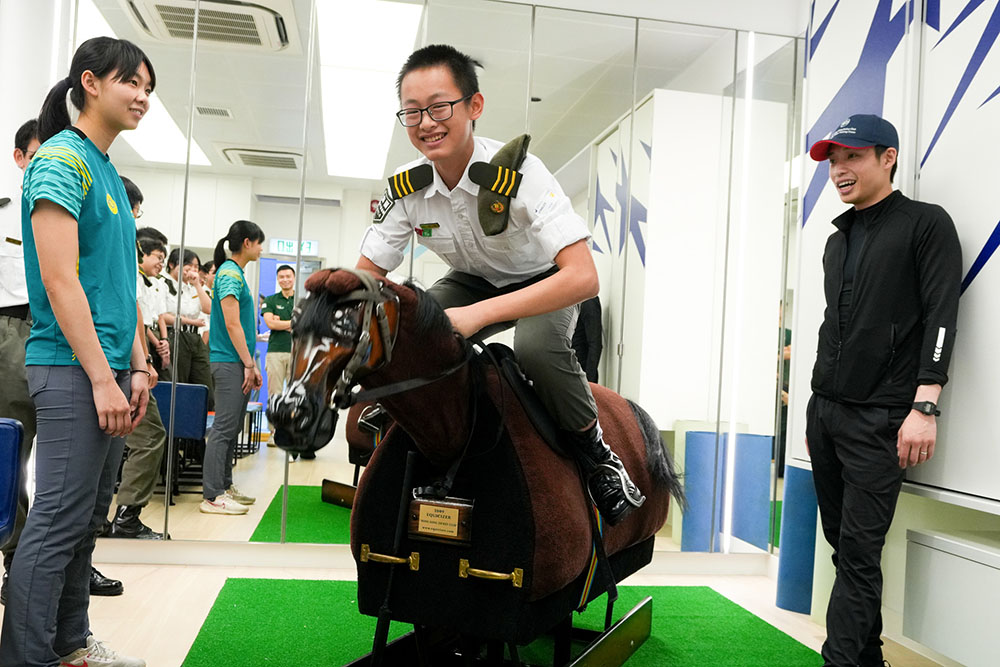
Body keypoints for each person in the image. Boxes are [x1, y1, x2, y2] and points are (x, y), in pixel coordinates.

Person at [356, 44, 643, 525]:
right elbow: (366, 276)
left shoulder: (521, 173)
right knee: (410, 327)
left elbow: (583, 276)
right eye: (412, 111)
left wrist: (477, 316)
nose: (426, 123)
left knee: (536, 350)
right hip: (472, 279)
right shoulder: (406, 187)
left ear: (474, 106)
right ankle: (412, 419)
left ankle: (599, 457)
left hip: (545, 279)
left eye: (439, 107)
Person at [0, 37, 155, 667]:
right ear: (90, 83)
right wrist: (100, 377)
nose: (142, 97)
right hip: (70, 369)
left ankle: (69, 644)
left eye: (148, 88)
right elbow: (60, 282)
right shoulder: (61, 160)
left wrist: (137, 365)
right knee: (57, 521)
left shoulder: (107, 169)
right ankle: (25, 657)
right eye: (132, 83)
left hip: (110, 369)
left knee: (86, 520)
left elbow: (120, 284)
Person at [806, 114, 962, 667]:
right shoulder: (837, 241)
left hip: (882, 417)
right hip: (825, 411)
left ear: (887, 157)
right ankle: (867, 658)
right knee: (841, 546)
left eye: (851, 156)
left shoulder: (925, 224)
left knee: (858, 552)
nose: (839, 170)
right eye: (833, 160)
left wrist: (926, 404)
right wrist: (816, 408)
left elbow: (942, 317)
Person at [2, 120, 127, 604]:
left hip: (74, 334)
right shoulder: (12, 207)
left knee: (72, 487)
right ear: (20, 157)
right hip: (16, 331)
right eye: (38, 151)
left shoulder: (89, 190)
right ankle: (17, 558)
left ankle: (49, 584)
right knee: (15, 454)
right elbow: (54, 279)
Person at [110, 178, 168, 540]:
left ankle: (104, 522)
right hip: (113, 355)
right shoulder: (120, 245)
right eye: (136, 210)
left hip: (117, 353)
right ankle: (126, 518)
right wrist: (142, 364)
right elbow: (131, 310)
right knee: (147, 436)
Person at [201, 220, 264, 515]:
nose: (261, 249)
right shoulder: (228, 273)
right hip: (228, 361)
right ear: (247, 243)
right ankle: (213, 495)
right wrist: (248, 363)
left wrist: (251, 364)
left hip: (237, 361)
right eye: (259, 243)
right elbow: (231, 323)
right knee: (224, 428)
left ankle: (224, 486)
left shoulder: (235, 273)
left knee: (233, 426)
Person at [160, 248, 212, 392]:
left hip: (194, 337)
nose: (192, 270)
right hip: (175, 335)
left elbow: (208, 308)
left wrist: (197, 285)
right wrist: (190, 322)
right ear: (172, 264)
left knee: (204, 381)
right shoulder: (164, 284)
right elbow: (162, 315)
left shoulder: (193, 287)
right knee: (179, 382)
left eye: (196, 267)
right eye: (188, 265)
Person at [261, 264, 300, 451]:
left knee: (295, 394)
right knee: (274, 394)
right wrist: (291, 323)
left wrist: (280, 322)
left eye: (288, 276)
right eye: (281, 277)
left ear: (294, 278)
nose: (285, 279)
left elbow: (304, 324)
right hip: (275, 351)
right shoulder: (270, 300)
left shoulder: (300, 301)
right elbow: (270, 323)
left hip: (297, 352)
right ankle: (273, 432)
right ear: (278, 279)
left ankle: (293, 432)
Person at [571, 296, 602, 383]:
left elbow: (595, 344)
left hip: (581, 373)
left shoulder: (588, 301)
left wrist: (589, 382)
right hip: (567, 372)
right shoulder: (570, 301)